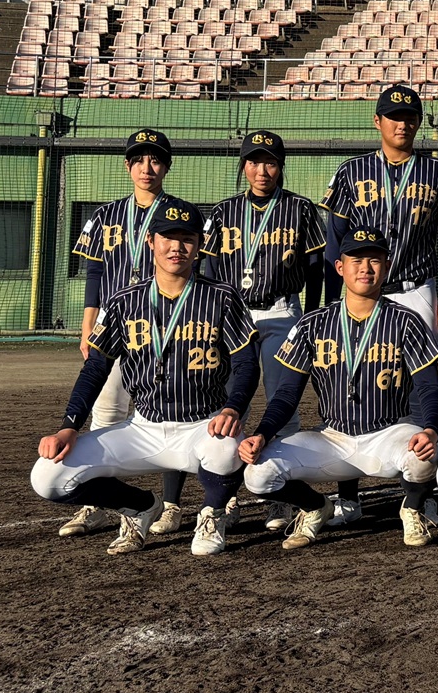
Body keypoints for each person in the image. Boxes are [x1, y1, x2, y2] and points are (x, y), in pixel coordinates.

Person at [30, 196, 257, 557]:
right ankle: (140, 507)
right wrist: (69, 426)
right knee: (47, 477)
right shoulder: (124, 301)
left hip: (202, 425)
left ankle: (211, 514)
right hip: (143, 427)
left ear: (199, 245)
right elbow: (95, 367)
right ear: (151, 241)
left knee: (229, 447)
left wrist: (233, 409)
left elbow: (246, 363)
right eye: (168, 237)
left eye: (187, 239)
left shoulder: (222, 297)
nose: (177, 247)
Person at [236, 226, 438, 551]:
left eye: (374, 260)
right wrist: (262, 433)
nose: (365, 268)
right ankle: (315, 507)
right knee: (258, 474)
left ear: (387, 266)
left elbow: (429, 386)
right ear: (340, 267)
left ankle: (412, 507)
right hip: (333, 438)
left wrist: (430, 429)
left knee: (425, 456)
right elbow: (287, 394)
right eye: (356, 260)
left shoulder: (407, 320)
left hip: (389, 433)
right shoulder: (312, 323)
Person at [322, 84, 438, 527]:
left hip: (415, 287)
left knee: (420, 388)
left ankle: (419, 493)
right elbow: (334, 243)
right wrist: (333, 299)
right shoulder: (351, 171)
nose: (403, 123)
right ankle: (348, 495)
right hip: (360, 291)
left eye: (410, 116)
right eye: (394, 115)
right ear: (377, 121)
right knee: (351, 380)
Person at [61, 128, 190, 539]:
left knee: (172, 412)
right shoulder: (106, 215)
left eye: (155, 160)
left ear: (166, 166)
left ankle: (171, 505)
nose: (147, 167)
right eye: (139, 160)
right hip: (115, 322)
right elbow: (95, 272)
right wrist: (88, 325)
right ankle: (101, 503)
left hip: (163, 322)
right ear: (127, 166)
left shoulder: (180, 213)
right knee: (106, 412)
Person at [202, 128, 328, 533]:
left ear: (281, 166)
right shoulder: (223, 211)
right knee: (225, 406)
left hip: (280, 311)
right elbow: (207, 269)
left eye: (270, 162)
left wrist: (312, 317)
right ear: (244, 166)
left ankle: (280, 494)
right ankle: (226, 496)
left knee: (282, 403)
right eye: (254, 161)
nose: (262, 170)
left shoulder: (301, 209)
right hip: (231, 315)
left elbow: (315, 269)